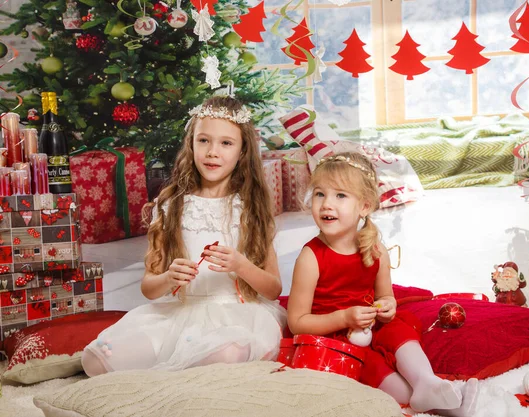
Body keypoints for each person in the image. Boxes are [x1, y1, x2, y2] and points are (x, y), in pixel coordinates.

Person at [81, 96, 286, 376]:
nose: (212, 152)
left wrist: (240, 265)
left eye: (226, 143)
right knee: (95, 361)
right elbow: (149, 288)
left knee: (224, 353)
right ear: (191, 144)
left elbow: (273, 290)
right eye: (204, 140)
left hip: (236, 315)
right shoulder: (171, 206)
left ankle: (186, 374)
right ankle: (182, 370)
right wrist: (168, 278)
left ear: (242, 151)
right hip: (178, 312)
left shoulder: (250, 209)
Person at [286, 152, 478, 416]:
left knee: (397, 329)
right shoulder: (311, 257)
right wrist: (344, 318)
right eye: (320, 194)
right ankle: (434, 403)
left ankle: (426, 381)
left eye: (340, 195)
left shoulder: (374, 249)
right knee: (369, 363)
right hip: (333, 332)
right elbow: (296, 322)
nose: (326, 204)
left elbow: (385, 295)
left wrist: (386, 305)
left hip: (369, 322)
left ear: (364, 207)